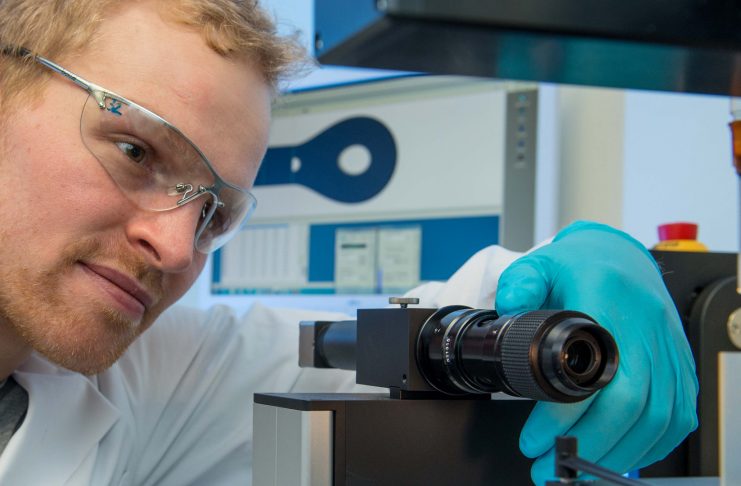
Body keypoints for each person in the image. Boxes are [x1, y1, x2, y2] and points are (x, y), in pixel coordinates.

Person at [0, 1, 698, 485]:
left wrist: (570, 276)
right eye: (134, 151)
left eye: (213, 213)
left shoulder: (144, 380)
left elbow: (383, 354)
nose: (179, 249)